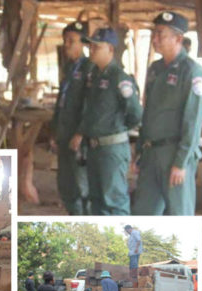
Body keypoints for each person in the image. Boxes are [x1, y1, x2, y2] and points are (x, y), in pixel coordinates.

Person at [132, 12, 202, 215]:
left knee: (179, 216)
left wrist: (181, 162)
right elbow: (149, 113)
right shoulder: (155, 69)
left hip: (174, 153)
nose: (155, 39)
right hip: (151, 153)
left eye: (160, 34)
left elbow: (193, 121)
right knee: (143, 215)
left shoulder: (192, 72)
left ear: (178, 38)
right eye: (154, 33)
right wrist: (139, 150)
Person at [74, 28, 142, 215]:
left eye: (97, 47)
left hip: (112, 149)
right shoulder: (94, 76)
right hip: (94, 148)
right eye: (90, 46)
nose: (91, 50)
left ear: (110, 49)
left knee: (114, 201)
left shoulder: (119, 78)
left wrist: (116, 127)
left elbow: (136, 114)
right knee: (96, 200)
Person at [50, 21, 92, 215]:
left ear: (83, 43)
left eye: (71, 41)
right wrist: (54, 131)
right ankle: (73, 216)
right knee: (65, 184)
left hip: (78, 137)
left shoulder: (89, 68)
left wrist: (81, 133)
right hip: (64, 134)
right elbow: (61, 102)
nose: (66, 45)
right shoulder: (69, 68)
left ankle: (86, 220)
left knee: (81, 185)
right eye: (65, 40)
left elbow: (90, 105)